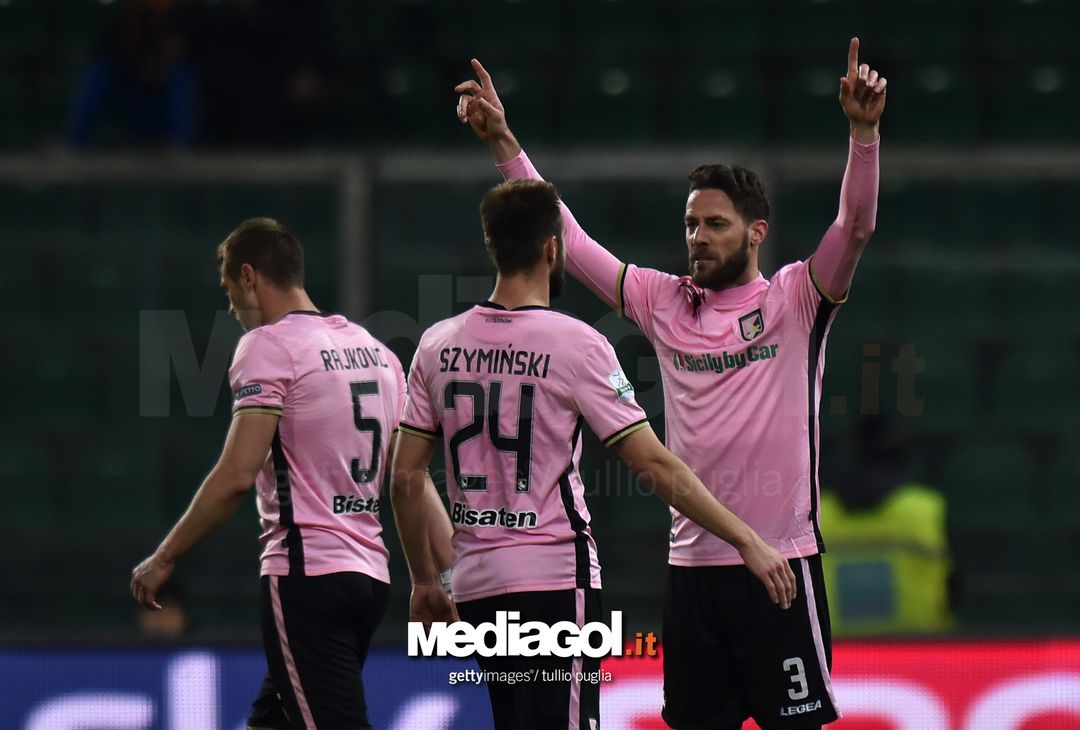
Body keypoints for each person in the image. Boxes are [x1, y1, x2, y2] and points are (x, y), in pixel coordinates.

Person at [455, 37, 886, 729]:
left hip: (781, 563)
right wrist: (505, 143)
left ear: (756, 234)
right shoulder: (662, 302)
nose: (698, 237)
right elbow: (566, 237)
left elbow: (856, 226)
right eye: (691, 224)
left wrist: (862, 136)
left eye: (716, 224)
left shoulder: (795, 300)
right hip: (693, 570)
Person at [391, 179, 796, 730]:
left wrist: (423, 581)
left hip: (475, 586)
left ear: (494, 247)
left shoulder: (436, 344)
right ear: (552, 248)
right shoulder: (577, 344)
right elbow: (652, 464)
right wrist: (746, 537)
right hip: (555, 584)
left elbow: (405, 478)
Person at [130, 217, 452, 730]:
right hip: (369, 581)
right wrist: (446, 571)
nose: (231, 306)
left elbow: (238, 473)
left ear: (249, 277)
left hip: (306, 576)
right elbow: (412, 477)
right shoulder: (379, 355)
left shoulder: (267, 348)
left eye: (229, 289)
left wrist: (164, 556)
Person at [819, 415, 952, 636]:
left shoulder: (820, 513)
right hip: (921, 649)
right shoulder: (925, 509)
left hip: (837, 650)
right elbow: (955, 587)